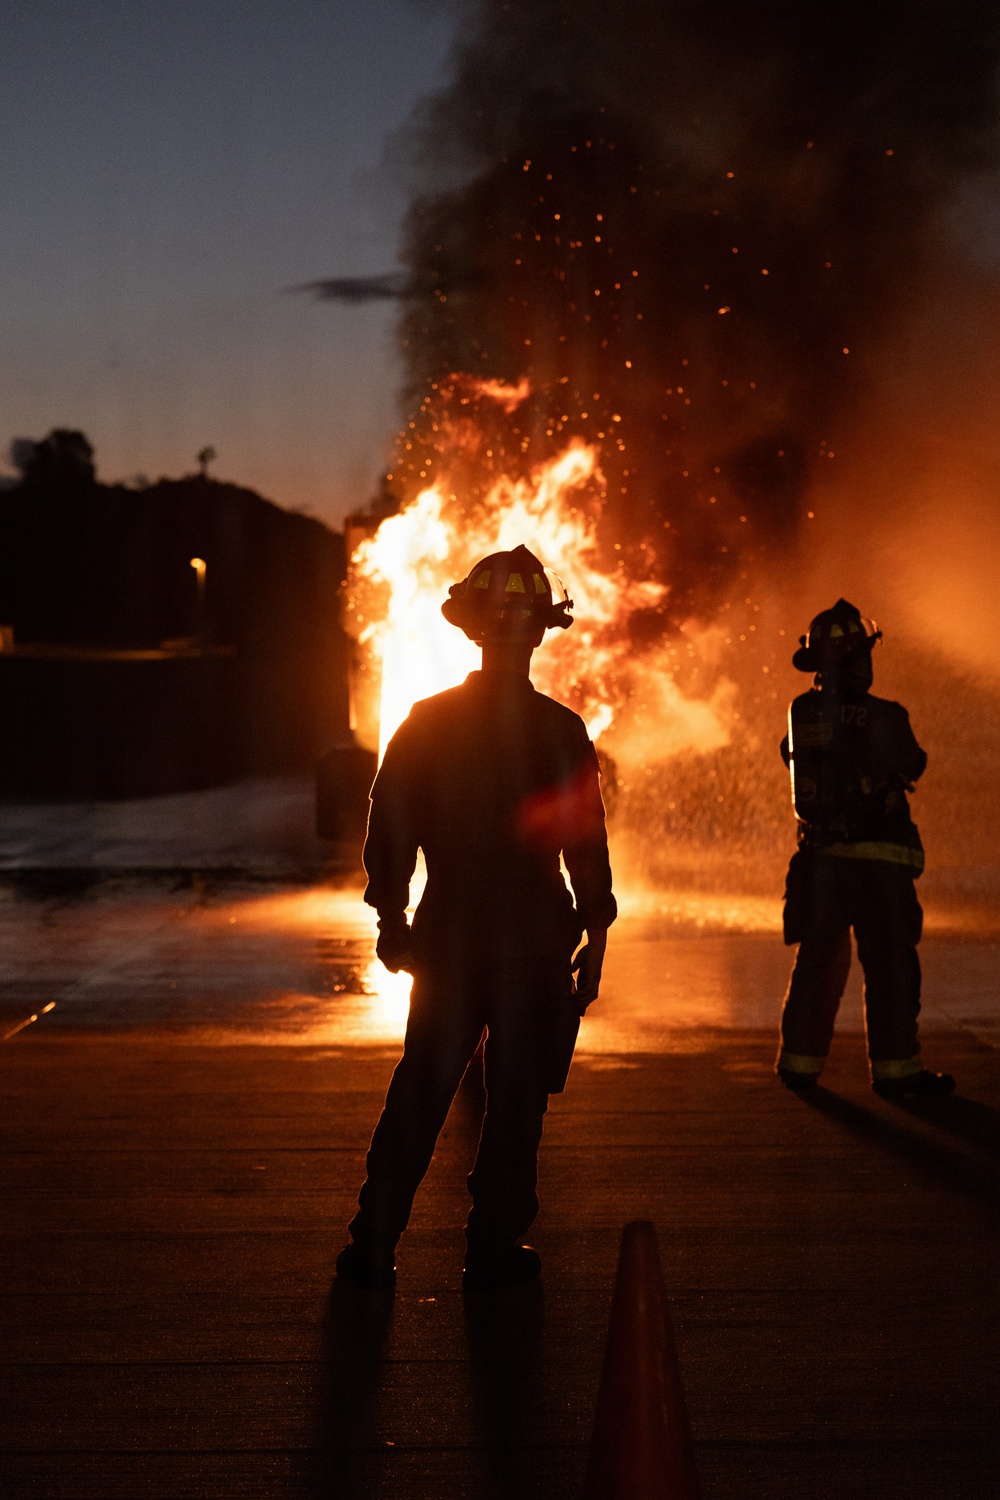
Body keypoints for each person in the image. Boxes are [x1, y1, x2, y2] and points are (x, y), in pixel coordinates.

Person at [336, 544, 617, 1290]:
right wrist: (595, 935)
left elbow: (390, 827)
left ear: (470, 627)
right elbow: (585, 843)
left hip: (451, 935)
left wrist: (392, 917)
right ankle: (493, 1248)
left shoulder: (427, 723)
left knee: (421, 1090)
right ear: (542, 631)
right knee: (517, 1102)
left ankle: (373, 1244)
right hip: (534, 940)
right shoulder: (561, 730)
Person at [776, 598, 954, 1098]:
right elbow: (913, 763)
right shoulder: (887, 715)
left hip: (819, 861)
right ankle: (896, 1072)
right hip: (879, 866)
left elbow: (793, 762)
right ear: (859, 658)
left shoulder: (801, 712)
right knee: (890, 965)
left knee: (818, 963)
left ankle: (799, 1064)